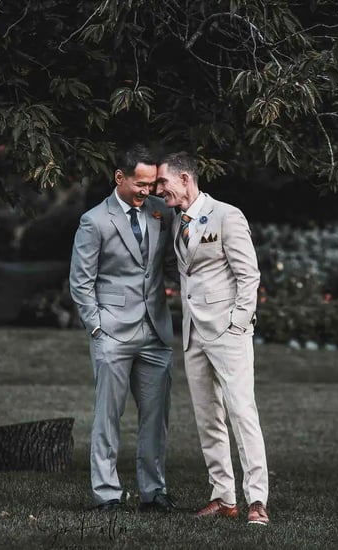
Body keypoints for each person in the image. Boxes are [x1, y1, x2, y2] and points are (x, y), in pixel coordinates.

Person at [155, 151, 270, 526]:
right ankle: (223, 497)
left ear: (185, 178)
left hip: (228, 332)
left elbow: (248, 275)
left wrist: (238, 324)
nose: (159, 189)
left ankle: (257, 500)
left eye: (163, 183)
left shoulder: (226, 215)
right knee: (208, 419)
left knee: (242, 413)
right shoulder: (176, 222)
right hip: (193, 336)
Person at [69, 143, 177, 512]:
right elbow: (80, 282)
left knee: (155, 419)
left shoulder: (162, 212)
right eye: (141, 184)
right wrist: (97, 329)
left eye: (152, 184)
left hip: (156, 333)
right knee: (108, 418)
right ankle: (107, 494)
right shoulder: (94, 221)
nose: (148, 191)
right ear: (120, 177)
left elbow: (172, 262)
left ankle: (153, 492)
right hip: (112, 333)